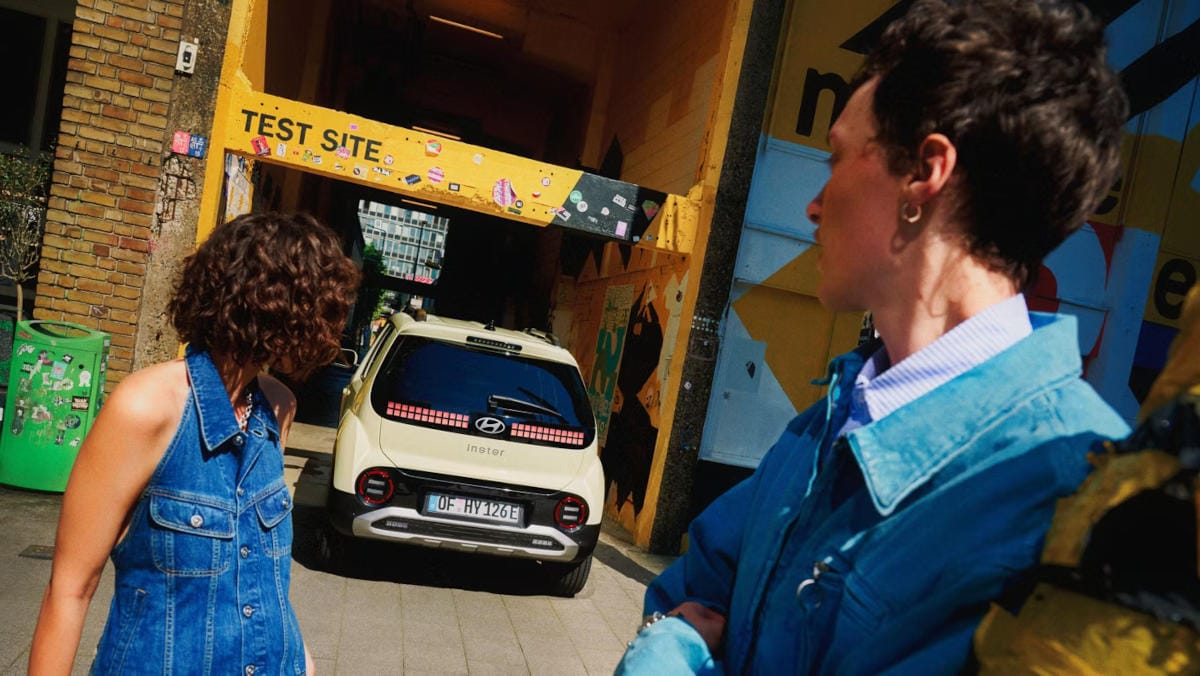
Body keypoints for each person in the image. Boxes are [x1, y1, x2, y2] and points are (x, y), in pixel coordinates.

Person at [617, 0, 1131, 672]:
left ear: (925, 173)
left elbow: (681, 626)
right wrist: (675, 633)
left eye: (835, 158)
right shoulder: (826, 421)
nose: (813, 202)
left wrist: (668, 650)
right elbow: (687, 589)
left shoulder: (1063, 501)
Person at [29, 212, 360, 674]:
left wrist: (299, 656)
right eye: (316, 306)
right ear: (272, 304)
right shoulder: (144, 407)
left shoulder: (278, 407)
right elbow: (70, 588)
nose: (325, 327)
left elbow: (256, 568)